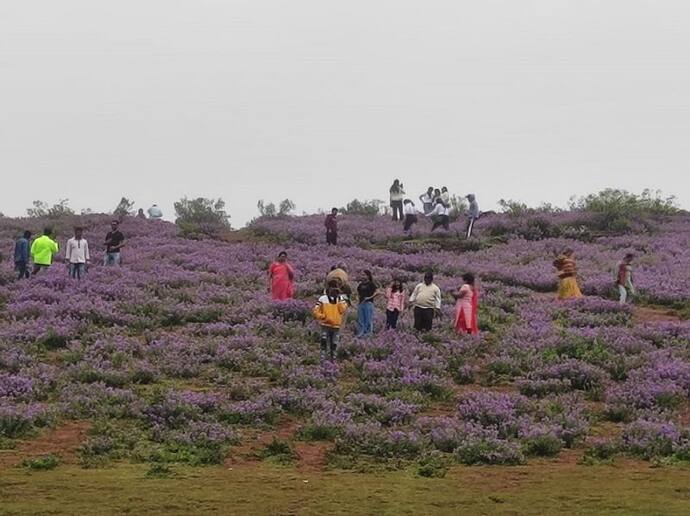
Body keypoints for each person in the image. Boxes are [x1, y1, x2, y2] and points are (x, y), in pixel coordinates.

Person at [312, 285, 348, 362]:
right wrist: (322, 316)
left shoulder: (340, 299)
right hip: (325, 325)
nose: (334, 290)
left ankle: (333, 360)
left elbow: (342, 310)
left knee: (334, 344)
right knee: (323, 343)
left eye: (336, 289)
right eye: (332, 288)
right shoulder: (322, 299)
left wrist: (339, 299)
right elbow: (316, 310)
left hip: (336, 326)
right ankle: (322, 359)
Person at [356, 270, 379, 338]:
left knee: (368, 319)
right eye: (362, 275)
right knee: (360, 319)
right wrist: (358, 299)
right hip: (361, 303)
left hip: (368, 303)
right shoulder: (360, 285)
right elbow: (358, 293)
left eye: (364, 275)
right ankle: (360, 333)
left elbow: (377, 292)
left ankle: (368, 334)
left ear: (368, 276)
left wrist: (370, 297)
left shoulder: (371, 284)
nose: (362, 276)